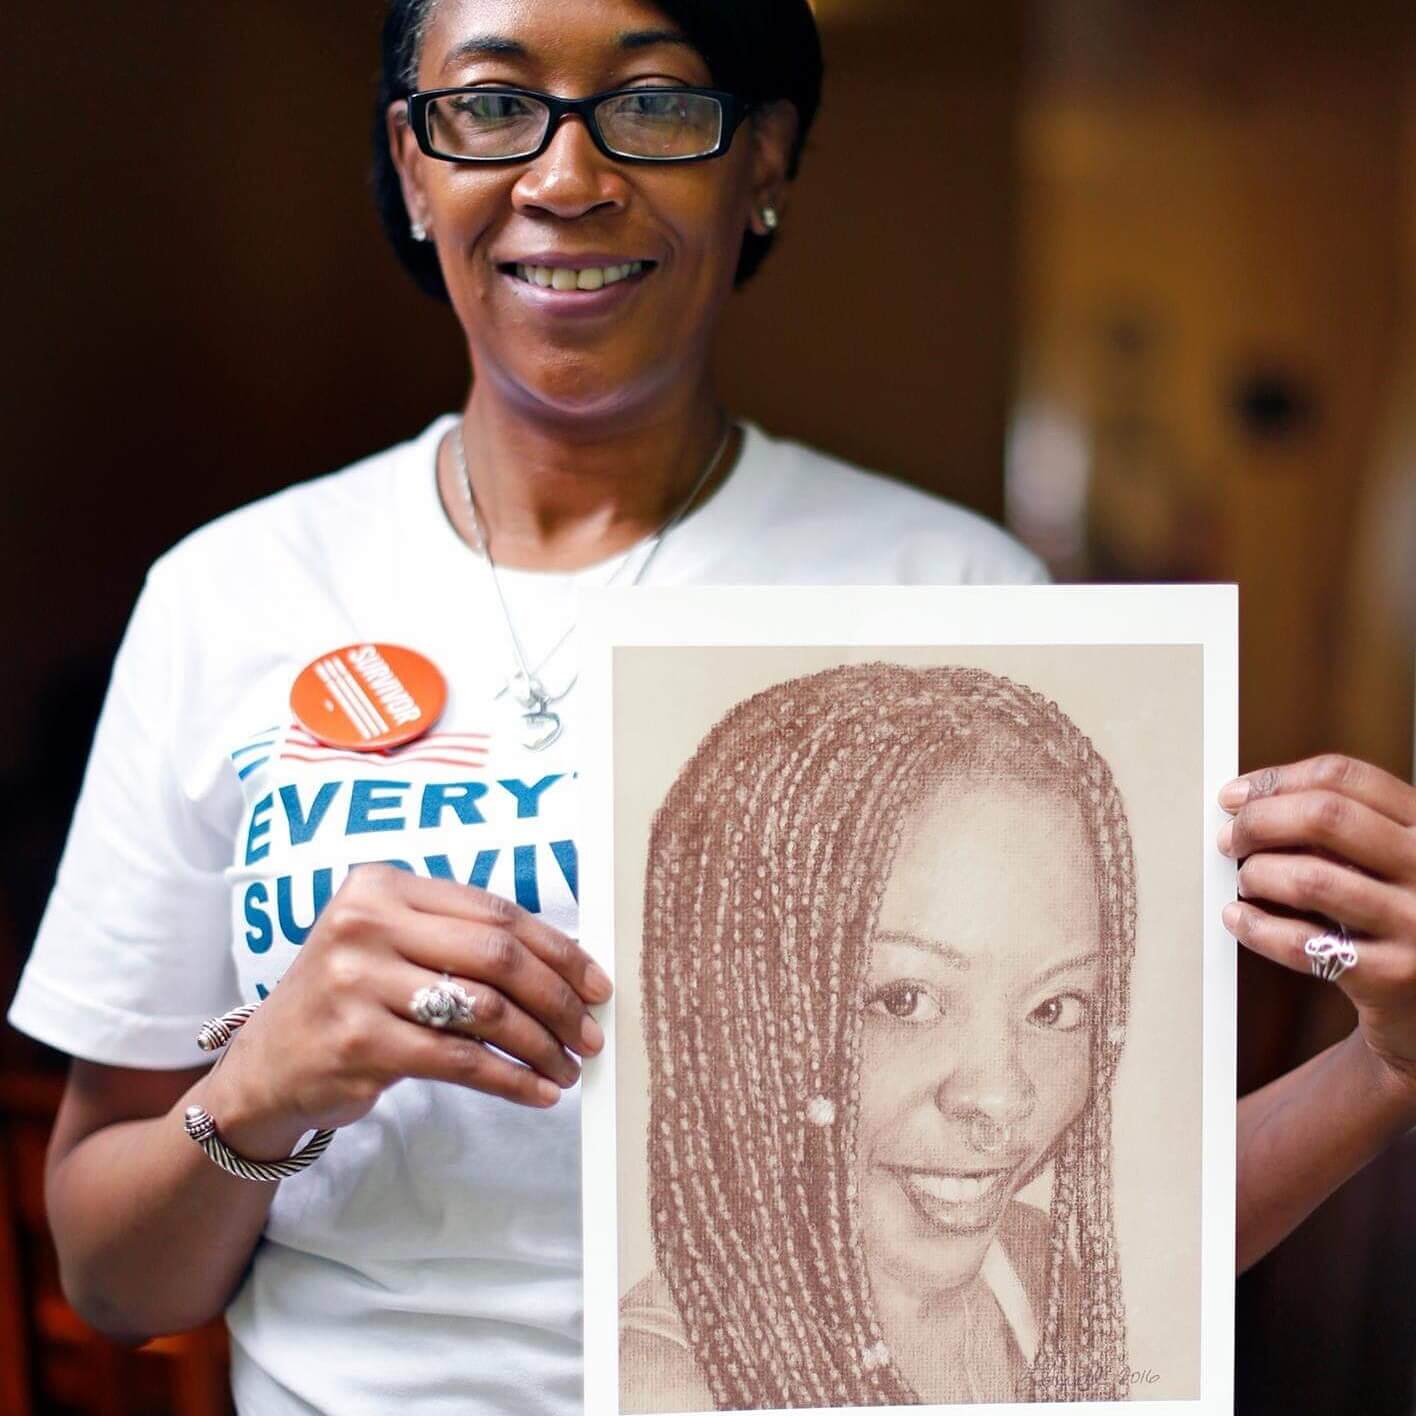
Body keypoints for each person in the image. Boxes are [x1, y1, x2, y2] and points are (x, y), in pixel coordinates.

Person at [5, 0, 1414, 1412]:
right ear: (414, 162)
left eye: (657, 102)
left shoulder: (955, 595)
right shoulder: (233, 595)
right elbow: (117, 1280)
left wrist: (1392, 1063)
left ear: (764, 163)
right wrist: (270, 1086)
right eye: (493, 108)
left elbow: (1113, 1260)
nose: (566, 179)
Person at [621, 664, 1133, 1408]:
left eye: (1055, 1008)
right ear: (737, 1007)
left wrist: (1368, 1070)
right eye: (906, 999)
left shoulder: (1038, 1270)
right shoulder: (665, 1387)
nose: (1001, 1096)